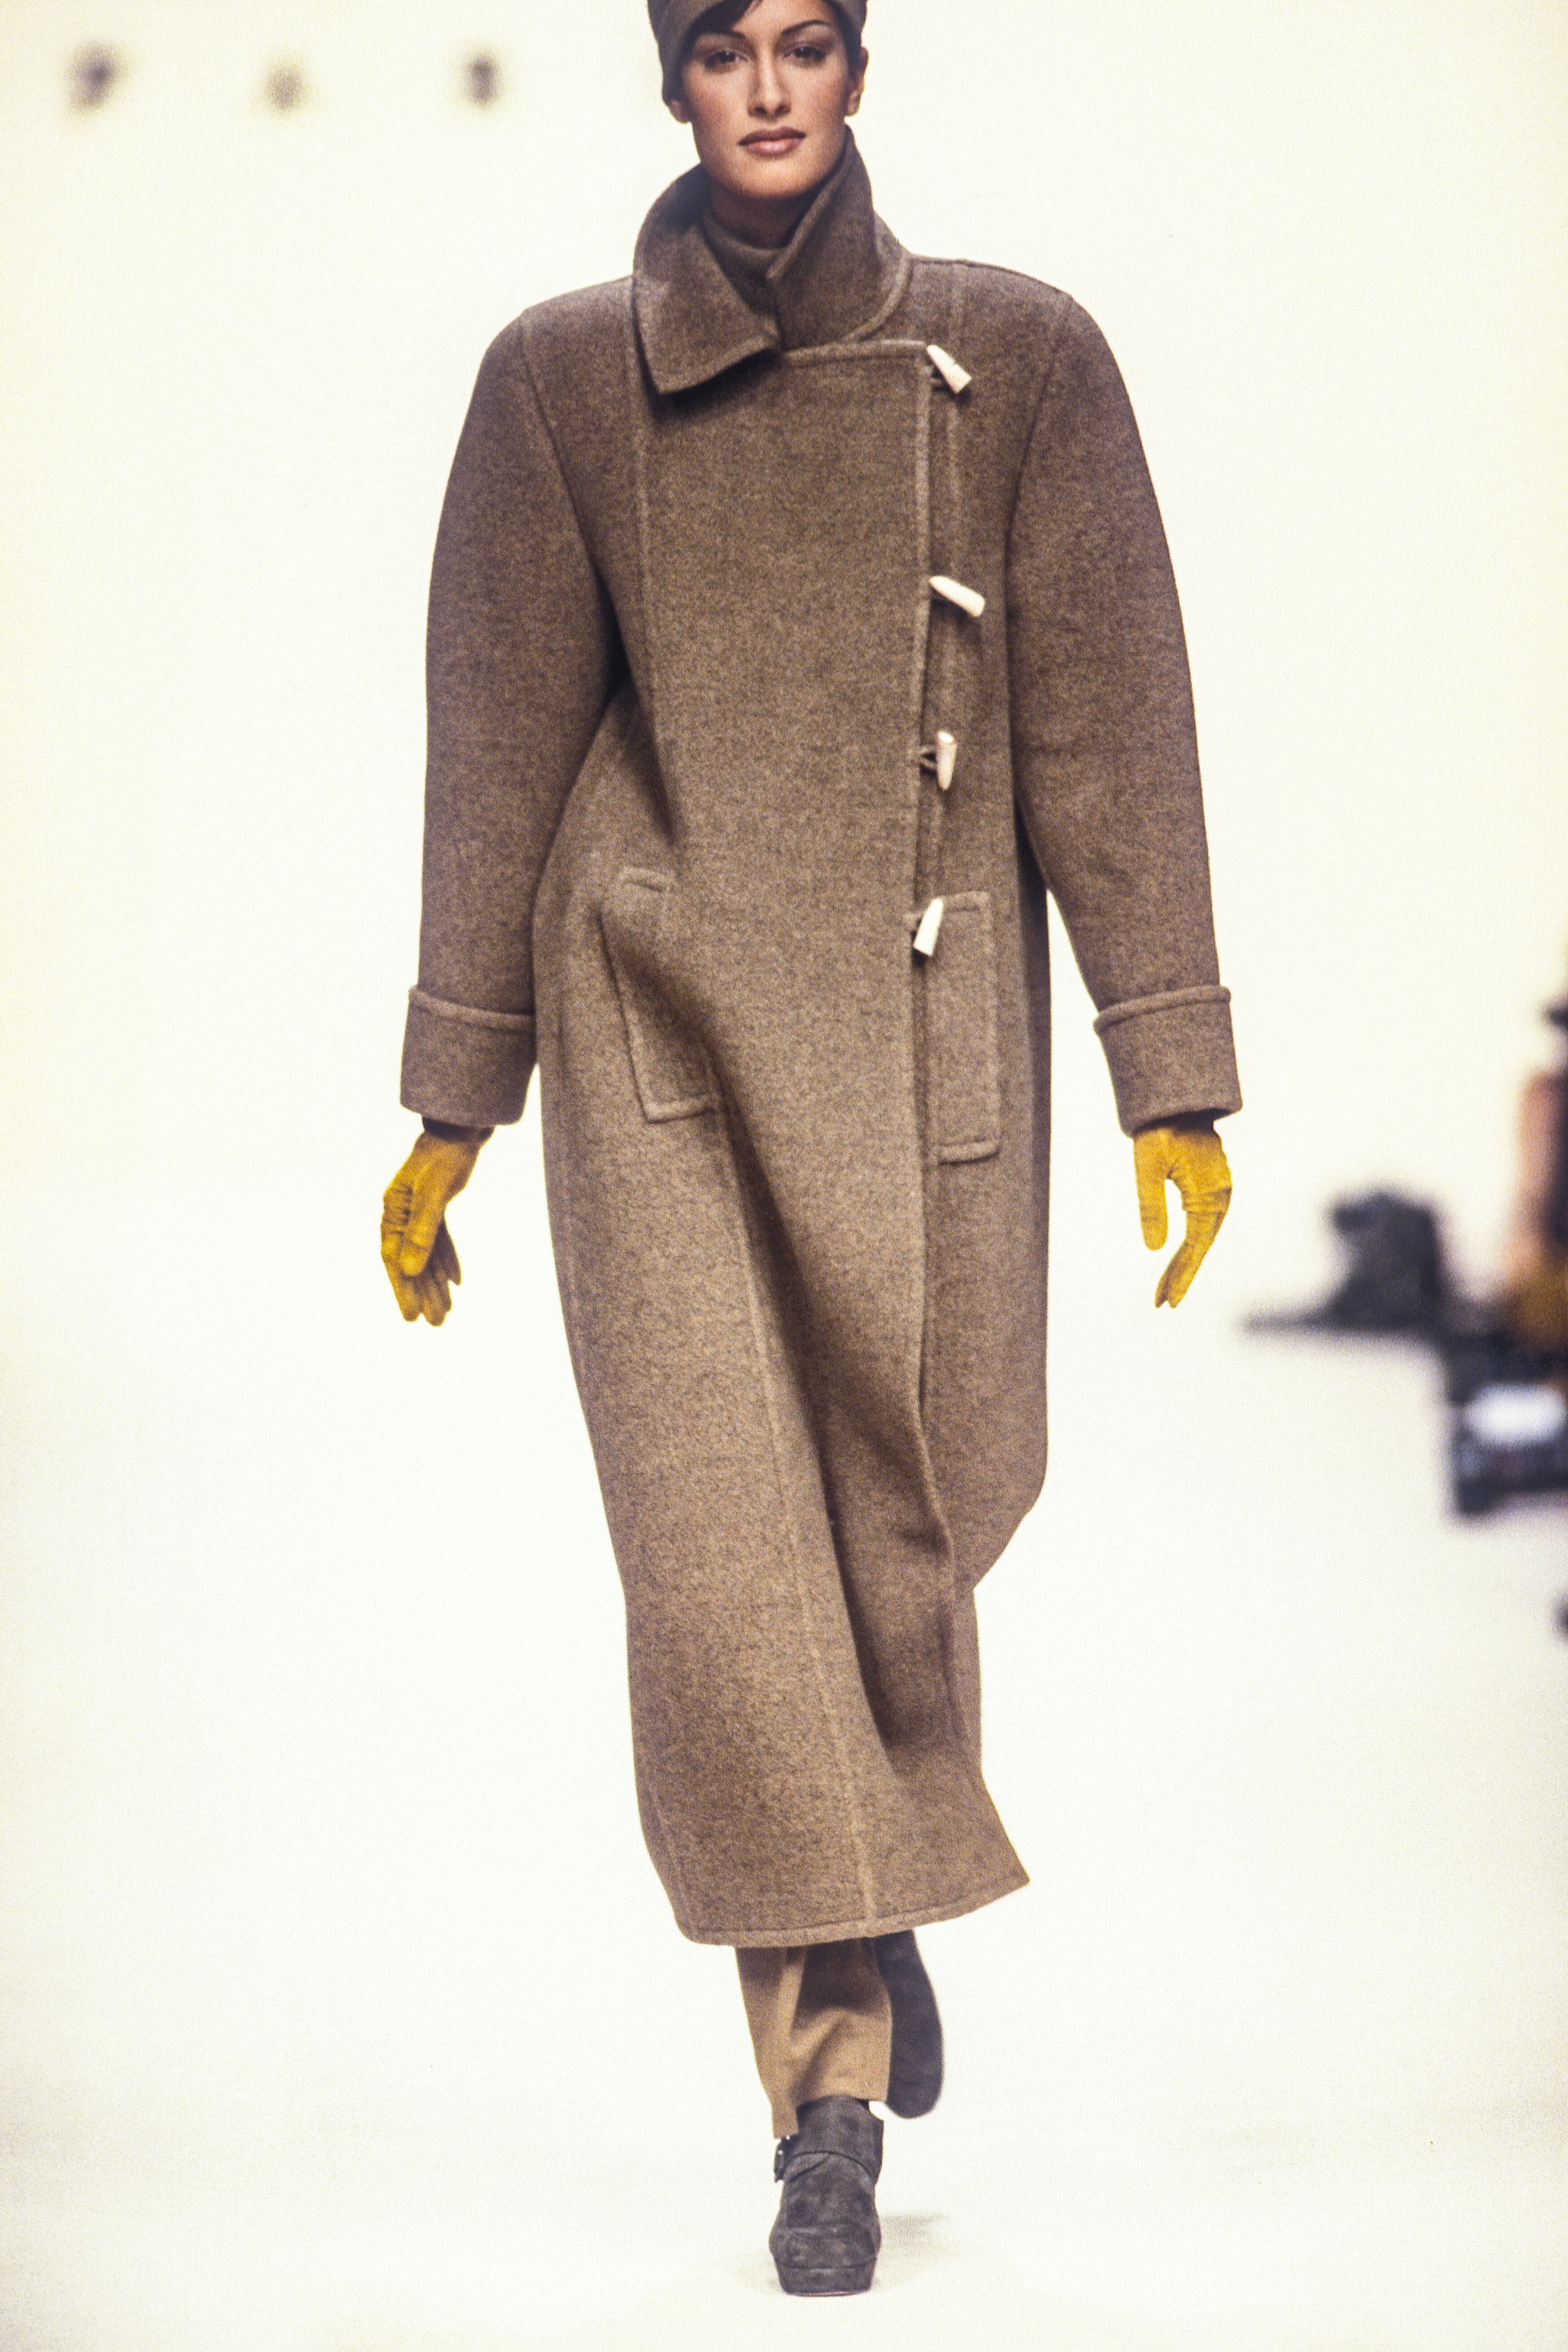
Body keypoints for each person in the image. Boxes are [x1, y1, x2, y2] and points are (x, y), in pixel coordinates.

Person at [380, 0, 1240, 2297]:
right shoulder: (559, 381)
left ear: (861, 68)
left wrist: (1167, 1067)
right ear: (666, 79)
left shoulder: (1017, 358)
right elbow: (496, 740)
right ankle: (824, 2096)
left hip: (924, 1026)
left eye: (806, 41)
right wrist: (455, 1101)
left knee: (916, 1519)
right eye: (721, 47)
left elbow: (1111, 717)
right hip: (654, 1029)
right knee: (730, 1590)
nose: (764, 89)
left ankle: (866, 1866)